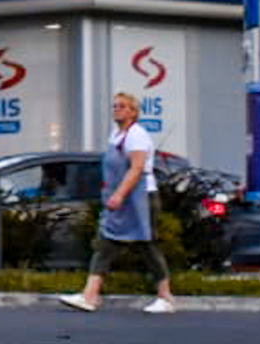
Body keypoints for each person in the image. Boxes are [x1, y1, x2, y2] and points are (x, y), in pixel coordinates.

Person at [61, 92, 176, 314]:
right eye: (115, 106)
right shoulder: (116, 134)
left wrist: (120, 195)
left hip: (140, 198)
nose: (117, 109)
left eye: (122, 106)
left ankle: (166, 297)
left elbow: (136, 168)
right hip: (120, 199)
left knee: (147, 245)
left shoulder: (137, 136)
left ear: (133, 112)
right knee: (105, 244)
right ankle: (90, 295)